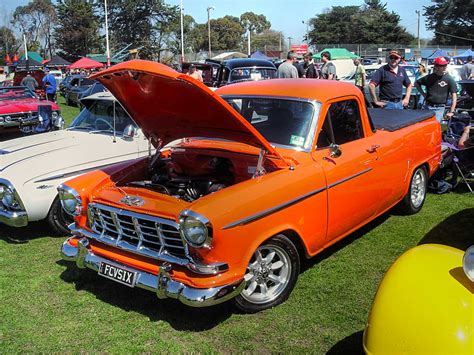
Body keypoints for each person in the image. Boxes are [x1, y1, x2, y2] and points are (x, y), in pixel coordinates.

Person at [415, 57, 457, 123]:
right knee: (426, 127)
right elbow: (416, 83)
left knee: (435, 126)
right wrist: (423, 94)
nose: (444, 67)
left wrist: (451, 111)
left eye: (445, 65)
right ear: (436, 66)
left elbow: (454, 96)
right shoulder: (429, 77)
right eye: (442, 65)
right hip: (427, 107)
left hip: (439, 108)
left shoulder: (449, 79)